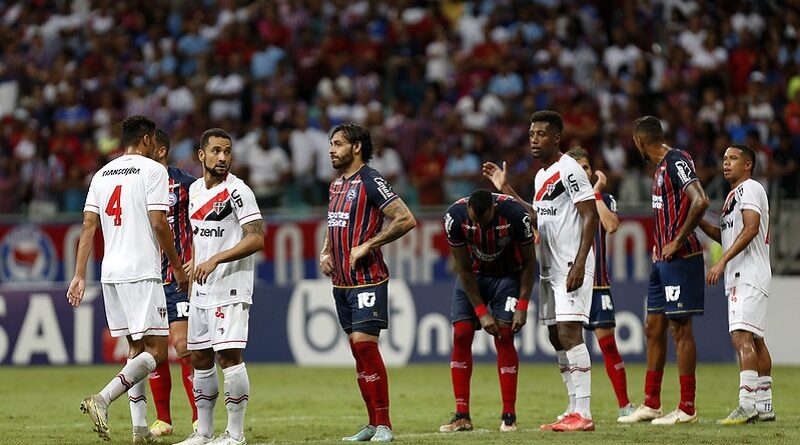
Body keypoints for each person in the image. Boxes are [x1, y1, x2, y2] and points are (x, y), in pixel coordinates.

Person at [67, 115, 189, 444]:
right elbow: (160, 223)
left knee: (135, 349)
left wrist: (79, 274)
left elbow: (89, 227)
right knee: (158, 353)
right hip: (142, 272)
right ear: (148, 140)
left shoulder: (101, 174)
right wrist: (177, 266)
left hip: (111, 274)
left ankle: (139, 431)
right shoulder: (153, 171)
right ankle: (103, 399)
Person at [483, 110, 599, 432]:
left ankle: (585, 413)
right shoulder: (540, 176)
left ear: (557, 138)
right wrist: (507, 191)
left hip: (570, 265)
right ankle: (573, 407)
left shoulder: (569, 169)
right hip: (549, 268)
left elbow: (591, 216)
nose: (534, 139)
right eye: (532, 134)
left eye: (542, 134)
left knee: (569, 333)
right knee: (554, 336)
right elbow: (537, 216)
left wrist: (579, 262)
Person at [318, 123, 416, 442]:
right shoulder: (336, 186)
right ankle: (372, 424)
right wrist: (325, 251)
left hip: (368, 279)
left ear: (356, 147)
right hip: (342, 283)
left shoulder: (371, 180)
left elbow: (405, 218)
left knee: (364, 344)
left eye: (338, 144)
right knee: (357, 351)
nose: (331, 149)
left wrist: (369, 244)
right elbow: (334, 223)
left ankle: (385, 424)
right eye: (331, 144)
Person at [174, 128, 264, 445]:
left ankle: (235, 434)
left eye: (227, 151)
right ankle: (203, 432)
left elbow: (256, 237)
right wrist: (194, 262)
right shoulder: (196, 190)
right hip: (200, 289)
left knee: (228, 356)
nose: (222, 157)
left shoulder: (238, 191)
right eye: (216, 151)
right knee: (198, 357)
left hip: (231, 286)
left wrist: (217, 260)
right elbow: (200, 237)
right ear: (202, 155)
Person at [618, 115, 710, 425]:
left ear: (639, 141)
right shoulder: (660, 169)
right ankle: (651, 403)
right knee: (652, 329)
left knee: (680, 330)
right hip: (662, 263)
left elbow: (701, 199)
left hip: (681, 258)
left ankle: (687, 408)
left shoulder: (676, 160)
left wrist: (677, 241)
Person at [438, 189, 535, 433]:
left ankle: (509, 415)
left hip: (507, 277)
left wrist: (523, 305)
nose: (479, 227)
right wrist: (481, 310)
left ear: (494, 209)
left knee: (504, 334)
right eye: (474, 222)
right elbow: (463, 269)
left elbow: (529, 263)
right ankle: (461, 415)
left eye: (484, 222)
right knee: (461, 334)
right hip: (474, 277)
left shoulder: (515, 214)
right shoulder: (454, 217)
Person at [698, 144, 775, 424]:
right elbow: (727, 236)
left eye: (733, 158)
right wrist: (698, 221)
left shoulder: (751, 188)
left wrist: (721, 263)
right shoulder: (733, 195)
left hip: (748, 273)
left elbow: (751, 228)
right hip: (744, 274)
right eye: (724, 158)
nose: (726, 163)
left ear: (748, 165)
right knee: (755, 338)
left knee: (740, 336)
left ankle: (747, 404)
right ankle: (765, 405)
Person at [565, 146, 635, 419]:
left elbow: (611, 225)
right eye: (577, 168)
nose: (583, 171)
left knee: (608, 345)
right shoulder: (561, 201)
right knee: (569, 347)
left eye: (586, 167)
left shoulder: (602, 197)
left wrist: (593, 193)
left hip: (598, 285)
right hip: (570, 282)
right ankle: (574, 407)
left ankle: (624, 405)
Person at [147, 128, 199, 437]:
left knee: (182, 345)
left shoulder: (186, 185)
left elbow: (207, 222)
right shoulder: (136, 185)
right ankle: (163, 419)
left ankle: (197, 417)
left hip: (176, 276)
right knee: (154, 351)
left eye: (147, 147)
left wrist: (198, 259)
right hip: (146, 277)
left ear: (162, 151)